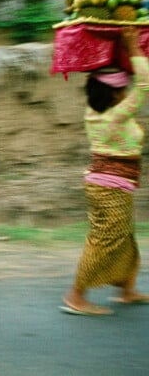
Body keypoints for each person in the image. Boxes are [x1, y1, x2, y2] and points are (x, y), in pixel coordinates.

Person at [62, 27, 149, 315]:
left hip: (109, 185)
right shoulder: (117, 114)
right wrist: (133, 47)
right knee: (106, 240)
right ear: (113, 95)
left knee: (124, 237)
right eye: (122, 89)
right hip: (111, 187)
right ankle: (76, 295)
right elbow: (146, 86)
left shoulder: (94, 113)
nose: (127, 93)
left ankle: (127, 288)